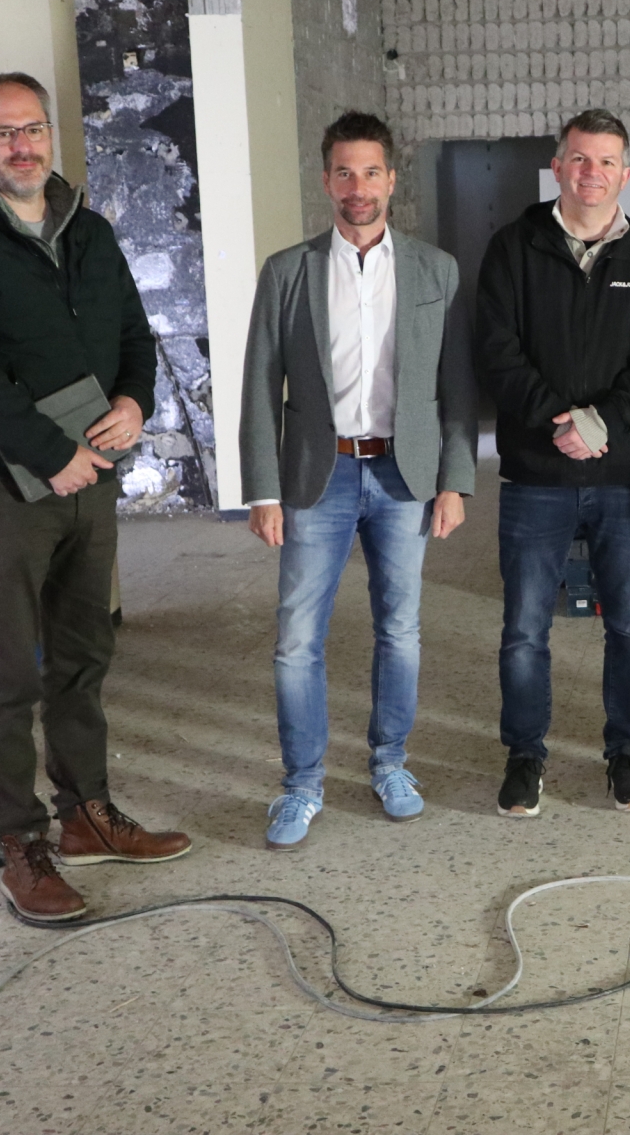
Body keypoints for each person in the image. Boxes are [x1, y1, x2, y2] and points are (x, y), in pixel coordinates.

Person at [0, 71, 190, 922]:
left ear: (52, 137)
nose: (22, 147)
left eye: (32, 131)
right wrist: (46, 450)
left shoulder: (90, 231)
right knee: (6, 673)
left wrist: (136, 402)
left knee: (84, 656)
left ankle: (86, 815)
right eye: (3, 134)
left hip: (88, 481)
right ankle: (20, 842)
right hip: (5, 486)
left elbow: (135, 336)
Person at [240, 111, 476, 848]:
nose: (358, 186)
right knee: (296, 639)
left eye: (371, 171)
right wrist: (264, 488)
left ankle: (390, 762)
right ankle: (302, 783)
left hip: (406, 475)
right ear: (325, 181)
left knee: (399, 629)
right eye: (344, 172)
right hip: (320, 473)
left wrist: (455, 481)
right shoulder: (288, 271)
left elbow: (456, 384)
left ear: (392, 179)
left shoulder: (436, 269)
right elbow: (258, 384)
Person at [476, 109, 630, 817]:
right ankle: (524, 754)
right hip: (537, 474)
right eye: (578, 159)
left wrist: (606, 421)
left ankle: (626, 752)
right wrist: (558, 421)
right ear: (558, 167)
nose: (591, 172)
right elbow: (497, 350)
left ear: (625, 174)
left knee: (629, 621)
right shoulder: (514, 247)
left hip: (622, 473)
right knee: (524, 628)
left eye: (605, 161)